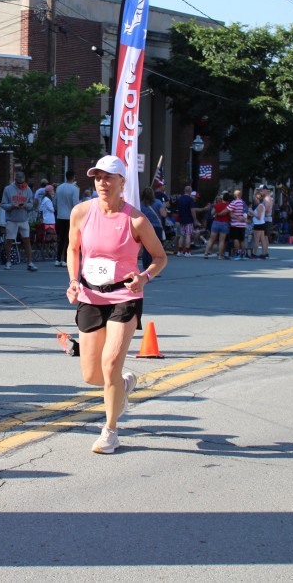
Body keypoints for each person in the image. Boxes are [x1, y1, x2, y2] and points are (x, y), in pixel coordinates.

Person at [65, 155, 167, 454]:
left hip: (124, 297)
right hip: (90, 296)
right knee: (91, 375)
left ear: (122, 182)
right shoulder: (81, 212)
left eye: (108, 177)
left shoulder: (136, 219)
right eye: (98, 177)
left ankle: (110, 431)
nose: (102, 183)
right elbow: (73, 249)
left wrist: (144, 277)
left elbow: (160, 257)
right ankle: (122, 386)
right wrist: (73, 280)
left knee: (110, 365)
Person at [1, 171, 37, 271]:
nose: (21, 185)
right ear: (15, 180)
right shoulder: (8, 189)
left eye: (22, 182)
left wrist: (26, 206)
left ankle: (30, 262)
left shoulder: (27, 189)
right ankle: (8, 261)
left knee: (27, 240)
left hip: (23, 218)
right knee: (9, 241)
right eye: (19, 183)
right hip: (12, 219)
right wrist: (12, 206)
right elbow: (3, 204)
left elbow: (31, 204)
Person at [54, 170, 80, 267]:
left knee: (60, 238)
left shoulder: (59, 188)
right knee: (69, 239)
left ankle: (58, 259)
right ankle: (65, 259)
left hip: (60, 216)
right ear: (73, 177)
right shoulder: (75, 189)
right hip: (70, 217)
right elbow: (75, 204)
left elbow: (55, 202)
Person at [139, 187, 164, 270]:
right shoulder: (158, 202)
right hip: (156, 227)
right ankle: (152, 269)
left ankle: (145, 268)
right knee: (155, 249)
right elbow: (163, 214)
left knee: (146, 248)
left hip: (144, 227)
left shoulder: (140, 204)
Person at [203, 192, 232, 259]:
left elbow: (212, 212)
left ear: (222, 198)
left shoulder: (217, 204)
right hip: (225, 223)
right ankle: (219, 255)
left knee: (211, 239)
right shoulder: (229, 206)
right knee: (222, 240)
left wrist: (216, 213)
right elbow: (230, 214)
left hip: (216, 222)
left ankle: (206, 253)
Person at [174, 185, 196, 257]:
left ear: (184, 190)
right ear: (190, 191)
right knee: (188, 235)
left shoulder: (180, 199)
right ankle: (187, 251)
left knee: (182, 235)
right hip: (189, 219)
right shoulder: (190, 199)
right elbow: (192, 210)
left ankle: (179, 251)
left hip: (181, 218)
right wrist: (195, 219)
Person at [249, 191, 267, 259]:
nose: (254, 200)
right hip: (261, 224)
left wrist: (252, 212)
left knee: (256, 240)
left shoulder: (260, 206)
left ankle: (254, 253)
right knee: (262, 239)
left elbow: (258, 216)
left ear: (257, 198)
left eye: (255, 198)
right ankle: (264, 254)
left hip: (258, 224)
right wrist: (252, 214)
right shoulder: (261, 206)